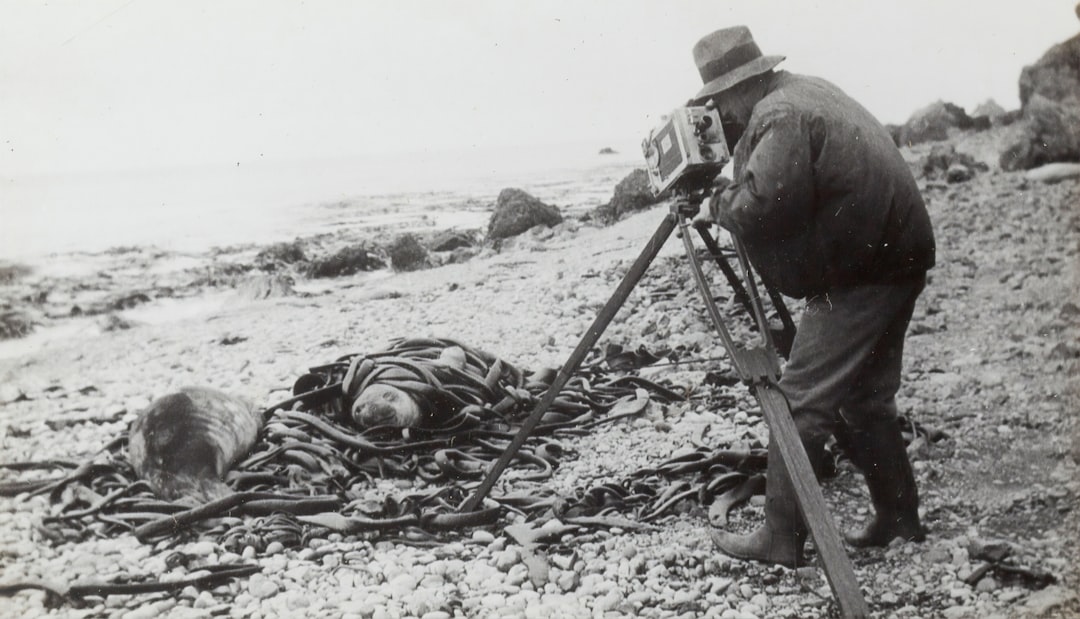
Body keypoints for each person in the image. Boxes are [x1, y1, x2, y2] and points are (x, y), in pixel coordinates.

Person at [689, 26, 937, 567]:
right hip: (898, 255)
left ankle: (779, 538)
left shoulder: (776, 115)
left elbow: (762, 201)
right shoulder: (805, 90)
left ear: (737, 88)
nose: (723, 114)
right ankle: (898, 517)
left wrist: (717, 205)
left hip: (864, 271)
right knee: (866, 397)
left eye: (720, 102)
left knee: (799, 399)